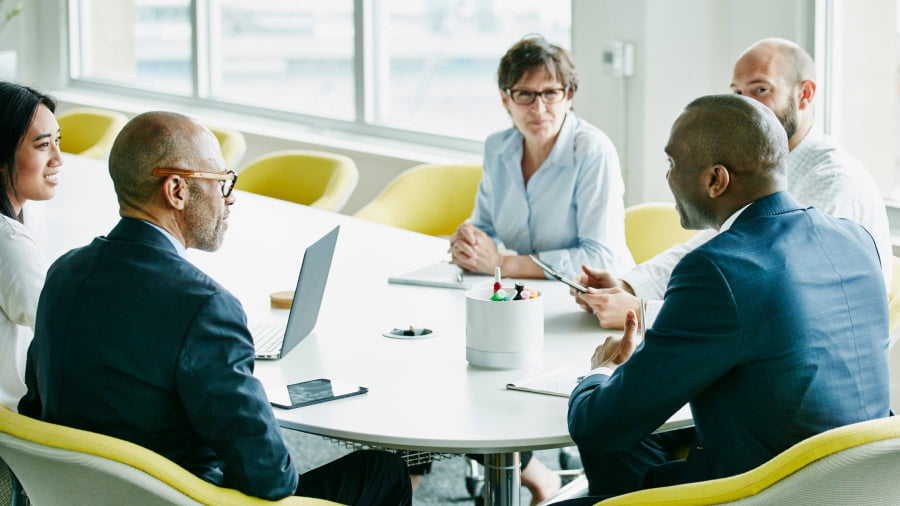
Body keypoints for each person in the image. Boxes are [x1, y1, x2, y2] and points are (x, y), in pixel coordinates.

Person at [18, 111, 412, 504]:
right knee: (383, 470)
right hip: (182, 497)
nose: (230, 197)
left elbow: (36, 406)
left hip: (80, 493)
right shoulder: (203, 306)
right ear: (176, 191)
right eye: (222, 182)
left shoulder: (64, 273)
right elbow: (271, 478)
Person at [560, 94, 891, 504]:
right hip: (856, 486)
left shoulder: (716, 270)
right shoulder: (856, 239)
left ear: (716, 180)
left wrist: (602, 371)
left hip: (756, 494)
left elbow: (598, 426)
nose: (668, 179)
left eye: (672, 165)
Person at [574, 38, 892, 329]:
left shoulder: (832, 182)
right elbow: (711, 245)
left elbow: (775, 303)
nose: (744, 106)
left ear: (805, 94)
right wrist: (628, 286)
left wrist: (643, 312)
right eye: (738, 93)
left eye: (760, 90)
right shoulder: (758, 168)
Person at [449, 35, 633, 283]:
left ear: (568, 96)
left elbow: (599, 257)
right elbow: (484, 227)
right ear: (506, 100)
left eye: (550, 93)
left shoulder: (592, 151)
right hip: (530, 291)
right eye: (525, 94)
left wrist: (503, 264)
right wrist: (469, 242)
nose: (538, 109)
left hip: (596, 297)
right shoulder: (497, 148)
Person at [0, 82, 62, 411]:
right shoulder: (8, 244)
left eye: (58, 141)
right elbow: (64, 335)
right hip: (13, 437)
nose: (59, 158)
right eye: (42, 146)